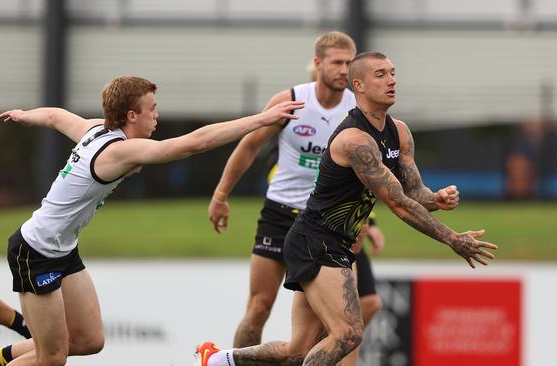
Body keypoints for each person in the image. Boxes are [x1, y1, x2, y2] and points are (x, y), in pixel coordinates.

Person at [0, 76, 303, 366]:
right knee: (52, 357)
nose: (157, 115)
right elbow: (194, 143)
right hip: (35, 252)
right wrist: (262, 119)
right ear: (132, 115)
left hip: (62, 249)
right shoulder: (118, 151)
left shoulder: (95, 128)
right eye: (152, 109)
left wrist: (27, 115)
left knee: (88, 341)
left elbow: (56, 116)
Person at [195, 52, 497, 366]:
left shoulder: (400, 132)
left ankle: (216, 359)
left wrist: (437, 198)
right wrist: (453, 239)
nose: (392, 80)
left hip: (333, 243)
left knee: (297, 348)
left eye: (392, 73)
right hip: (316, 242)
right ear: (359, 86)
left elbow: (413, 194)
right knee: (347, 334)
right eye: (380, 74)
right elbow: (397, 204)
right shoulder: (355, 140)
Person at [207, 31, 395, 365]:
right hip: (281, 213)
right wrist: (221, 195)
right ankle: (228, 361)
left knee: (359, 311)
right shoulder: (291, 101)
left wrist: (371, 221)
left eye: (348, 63)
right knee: (259, 308)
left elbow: (372, 173)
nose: (342, 70)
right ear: (318, 64)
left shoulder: (362, 110)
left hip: (332, 222)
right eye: (336, 62)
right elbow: (248, 146)